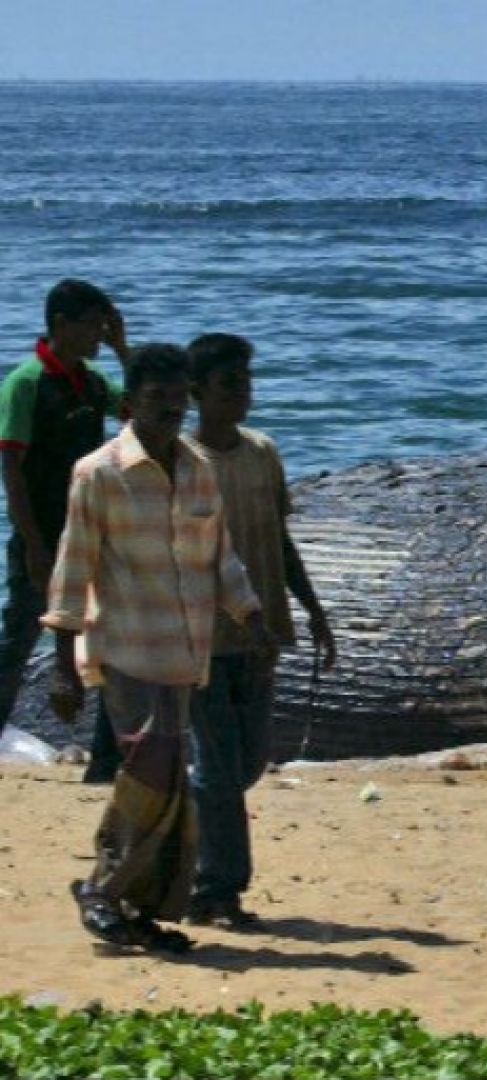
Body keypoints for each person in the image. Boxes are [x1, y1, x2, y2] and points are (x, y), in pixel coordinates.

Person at [42, 343, 272, 954]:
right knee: (152, 765)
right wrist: (62, 668)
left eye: (177, 399)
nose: (171, 410)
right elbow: (72, 570)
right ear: (128, 404)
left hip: (185, 654)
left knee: (169, 783)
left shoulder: (198, 469)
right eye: (156, 399)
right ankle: (101, 887)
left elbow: (220, 555)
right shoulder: (98, 473)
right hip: (125, 649)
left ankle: (137, 909)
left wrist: (250, 614)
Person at [182, 333, 336, 928]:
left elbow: (279, 538)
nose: (242, 394)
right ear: (196, 392)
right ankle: (216, 890)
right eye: (229, 384)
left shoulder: (262, 452)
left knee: (248, 763)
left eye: (246, 383)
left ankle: (185, 835)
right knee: (220, 768)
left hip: (262, 631)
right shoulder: (182, 461)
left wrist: (312, 609)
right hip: (201, 635)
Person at [0, 280, 128, 778]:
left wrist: (122, 349)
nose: (99, 334)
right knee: (19, 640)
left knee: (108, 635)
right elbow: (12, 471)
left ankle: (106, 757)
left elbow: (140, 409)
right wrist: (33, 546)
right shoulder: (26, 383)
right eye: (94, 325)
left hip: (92, 531)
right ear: (61, 324)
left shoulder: (92, 382)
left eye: (104, 325)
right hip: (42, 532)